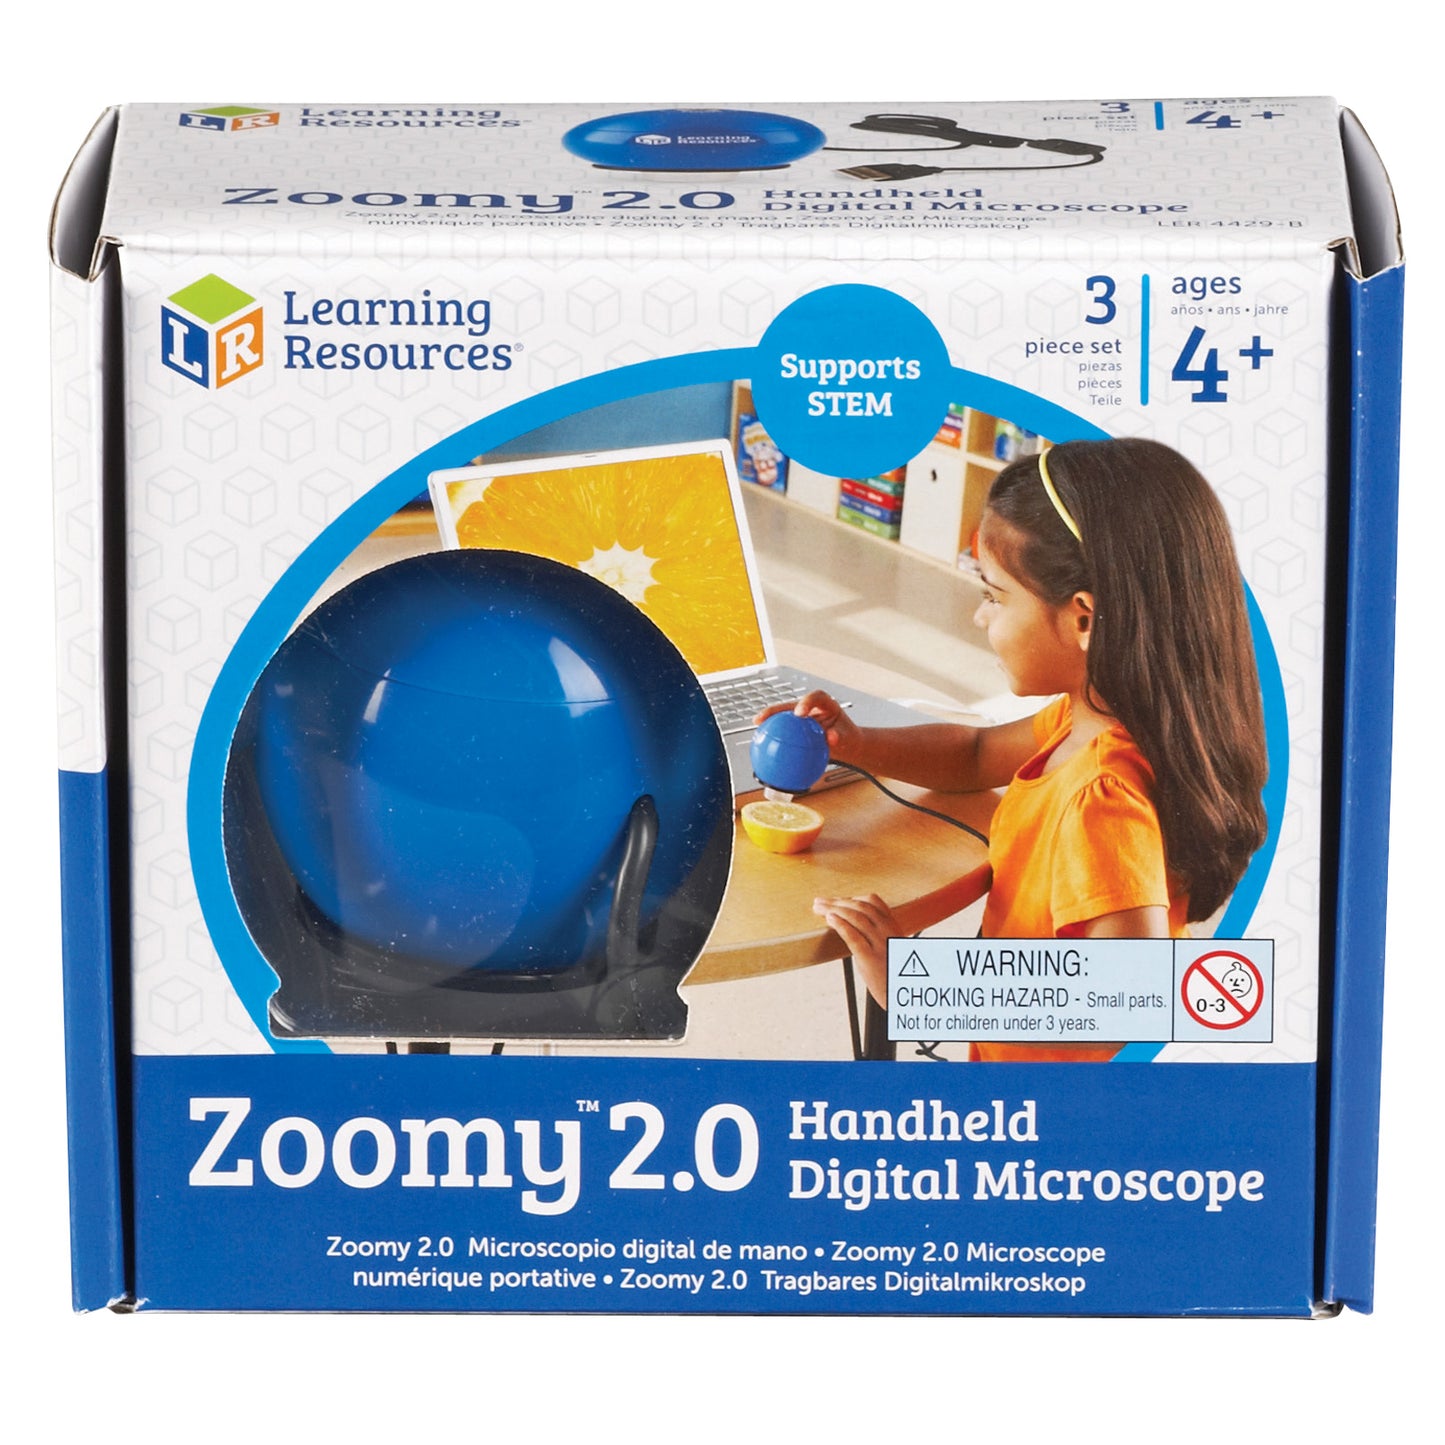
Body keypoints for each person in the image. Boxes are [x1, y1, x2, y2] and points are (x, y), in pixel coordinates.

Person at [760, 437, 1269, 1061]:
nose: (980, 618)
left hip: (1043, 1103)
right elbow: (975, 754)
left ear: (1084, 619)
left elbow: (1126, 1000)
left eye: (994, 596)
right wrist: (858, 744)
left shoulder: (1102, 797)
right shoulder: (1096, 720)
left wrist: (920, 988)